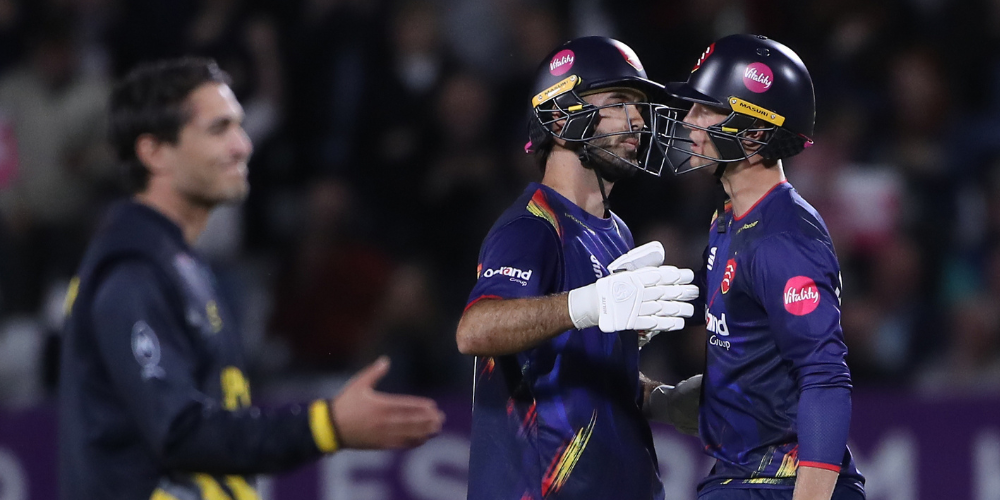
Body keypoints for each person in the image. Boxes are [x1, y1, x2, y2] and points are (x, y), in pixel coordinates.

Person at [58, 57, 445, 500]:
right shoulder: (133, 273)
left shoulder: (177, 264)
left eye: (239, 126)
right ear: (154, 152)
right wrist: (327, 424)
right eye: (218, 129)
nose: (243, 146)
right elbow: (179, 432)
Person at [455, 36, 699, 500]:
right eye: (619, 101)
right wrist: (588, 303)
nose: (638, 120)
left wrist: (660, 400)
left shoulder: (616, 232)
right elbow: (475, 330)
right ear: (561, 118)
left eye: (639, 106)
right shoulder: (532, 226)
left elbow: (582, 369)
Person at [648, 34, 867, 500]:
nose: (688, 121)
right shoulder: (730, 220)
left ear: (753, 133)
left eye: (706, 109)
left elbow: (824, 376)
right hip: (742, 476)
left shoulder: (782, 239)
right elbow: (749, 341)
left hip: (775, 484)